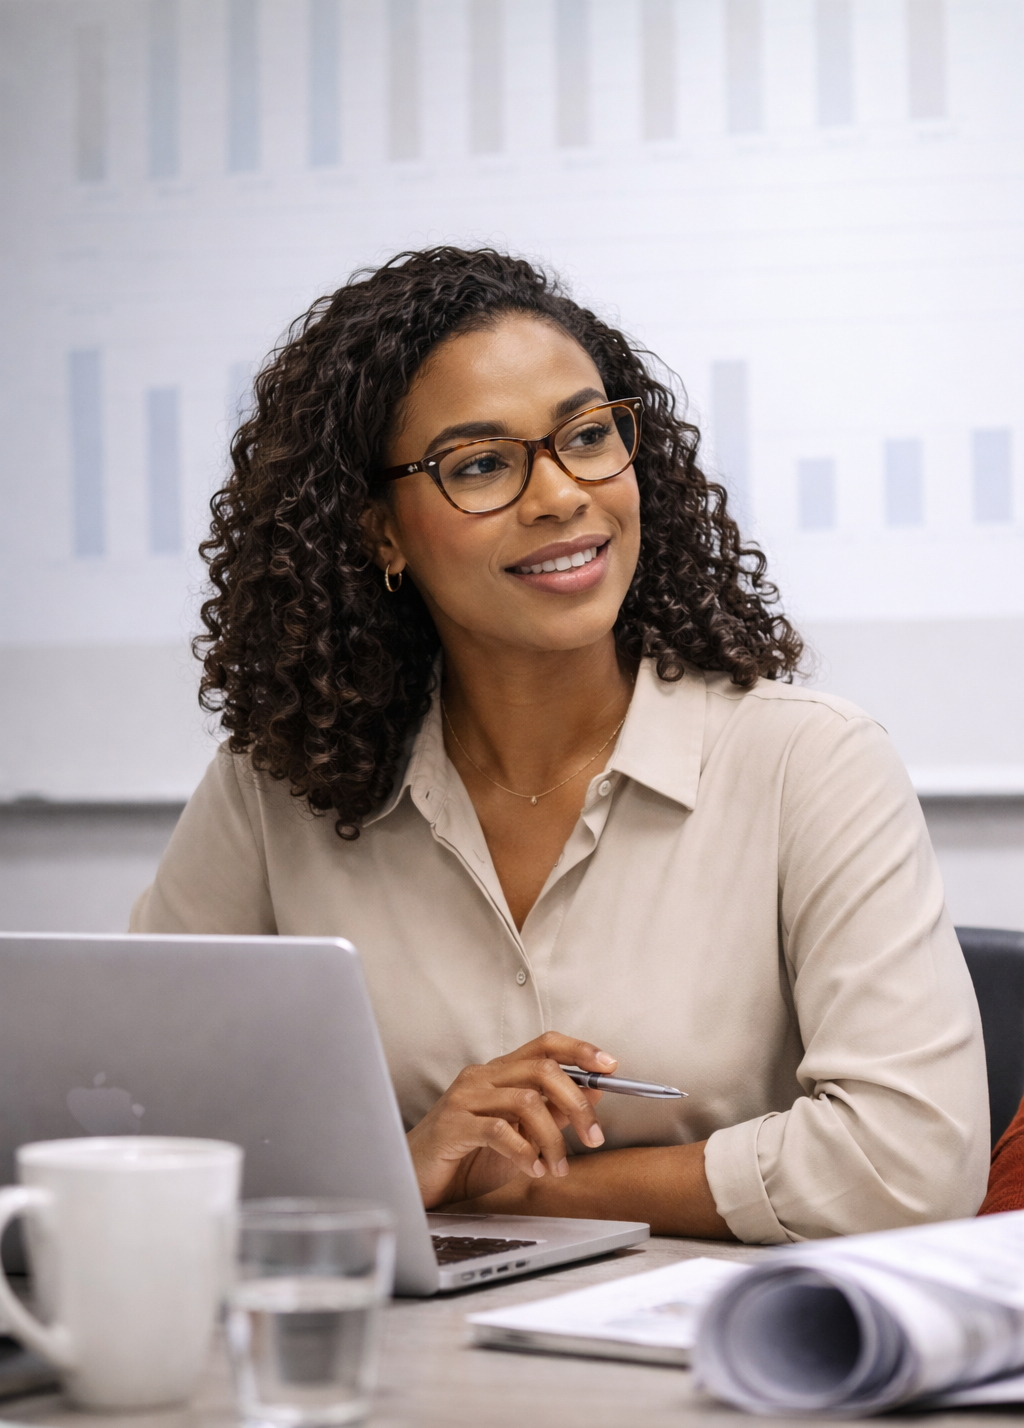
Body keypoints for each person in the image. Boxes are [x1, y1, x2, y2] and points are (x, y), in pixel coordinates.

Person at [131, 246, 989, 1242]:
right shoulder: (278, 782)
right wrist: (405, 1162)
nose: (559, 495)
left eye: (585, 436)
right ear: (380, 533)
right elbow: (141, 1120)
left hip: (731, 1361)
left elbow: (908, 1165)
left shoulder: (809, 763)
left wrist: (504, 1189)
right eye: (482, 464)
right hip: (403, 1358)